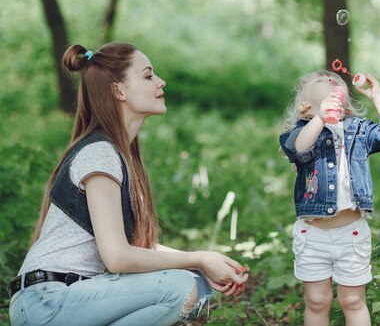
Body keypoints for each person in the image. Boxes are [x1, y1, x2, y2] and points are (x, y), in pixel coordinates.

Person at [8, 42, 248, 326]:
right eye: (148, 76)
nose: (161, 82)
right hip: (47, 300)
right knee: (179, 287)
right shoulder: (99, 153)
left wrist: (202, 262)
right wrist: (198, 258)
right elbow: (118, 257)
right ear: (118, 90)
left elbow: (135, 247)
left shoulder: (117, 154)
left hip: (63, 299)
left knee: (195, 280)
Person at [279, 69, 380, 326]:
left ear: (347, 107)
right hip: (312, 236)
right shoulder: (300, 132)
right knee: (317, 301)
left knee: (353, 301)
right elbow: (299, 148)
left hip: (352, 234)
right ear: (305, 107)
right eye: (319, 80)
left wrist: (376, 97)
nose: (329, 78)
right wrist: (319, 119)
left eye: (334, 80)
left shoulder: (357, 130)